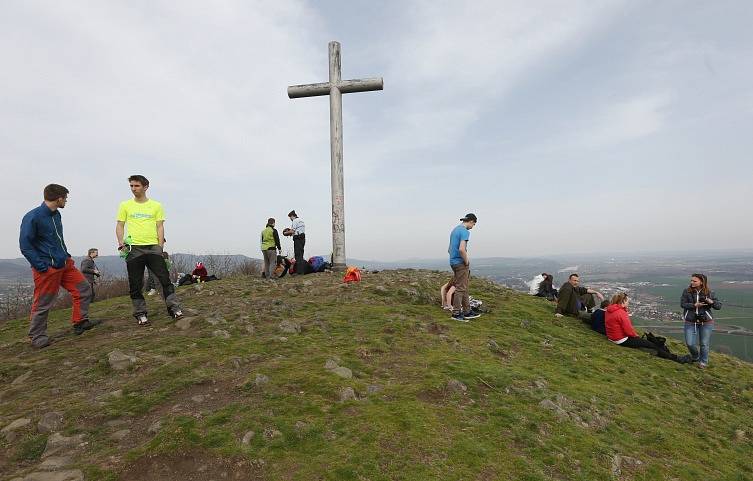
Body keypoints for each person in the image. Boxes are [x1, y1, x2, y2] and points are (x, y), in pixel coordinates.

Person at [20, 184, 96, 348]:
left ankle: (80, 322)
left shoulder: (57, 215)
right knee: (43, 302)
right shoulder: (33, 217)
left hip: (65, 264)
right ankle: (37, 337)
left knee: (83, 288)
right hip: (47, 268)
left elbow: (57, 239)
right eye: (65, 198)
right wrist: (41, 266)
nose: (66, 201)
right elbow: (25, 246)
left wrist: (66, 256)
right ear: (59, 198)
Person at [116, 175, 183, 326]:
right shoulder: (125, 205)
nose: (133, 189)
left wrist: (160, 246)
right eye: (131, 186)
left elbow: (160, 226)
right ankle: (140, 313)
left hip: (153, 248)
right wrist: (121, 243)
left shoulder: (156, 206)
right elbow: (120, 225)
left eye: (137, 186)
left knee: (164, 279)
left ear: (145, 187)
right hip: (134, 249)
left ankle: (174, 309)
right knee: (135, 283)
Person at [605, 292, 684, 362]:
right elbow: (628, 331)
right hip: (621, 339)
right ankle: (675, 358)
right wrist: (636, 336)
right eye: (627, 301)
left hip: (612, 337)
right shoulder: (621, 313)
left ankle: (668, 354)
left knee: (648, 342)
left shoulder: (610, 310)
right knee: (652, 345)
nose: (628, 303)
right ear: (623, 301)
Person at [681, 273, 722, 368]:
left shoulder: (710, 292)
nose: (692, 282)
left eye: (694, 281)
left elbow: (718, 306)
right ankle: (695, 356)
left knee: (704, 343)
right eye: (691, 280)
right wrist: (694, 305)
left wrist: (711, 302)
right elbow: (683, 304)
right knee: (690, 343)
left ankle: (703, 362)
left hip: (706, 322)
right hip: (690, 321)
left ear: (701, 282)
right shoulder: (687, 291)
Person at [448, 213, 481, 322]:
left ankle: (467, 311)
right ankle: (456, 313)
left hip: (453, 262)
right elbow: (462, 249)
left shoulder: (455, 230)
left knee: (463, 286)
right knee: (461, 288)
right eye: (474, 224)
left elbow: (449, 249)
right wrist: (466, 261)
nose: (473, 227)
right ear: (471, 221)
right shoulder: (465, 232)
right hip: (460, 263)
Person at [286, 210, 305, 274]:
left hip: (298, 239)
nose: (290, 219)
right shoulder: (301, 220)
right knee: (301, 254)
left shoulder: (295, 221)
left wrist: (286, 233)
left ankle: (299, 272)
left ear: (292, 216)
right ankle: (302, 270)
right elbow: (298, 230)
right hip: (302, 238)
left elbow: (293, 231)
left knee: (298, 255)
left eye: (290, 217)